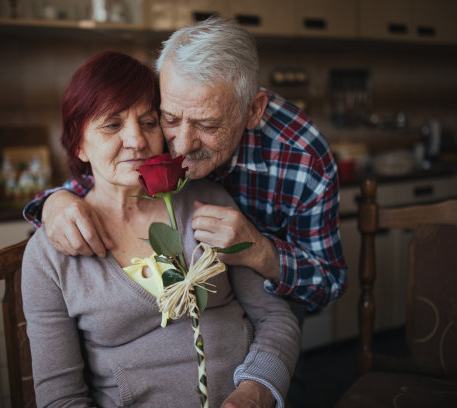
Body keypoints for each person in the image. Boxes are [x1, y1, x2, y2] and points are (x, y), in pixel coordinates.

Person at [22, 50, 300, 408]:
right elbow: (61, 400)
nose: (137, 140)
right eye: (112, 124)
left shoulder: (210, 204)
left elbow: (275, 317)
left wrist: (255, 391)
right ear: (79, 144)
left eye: (149, 122)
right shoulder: (49, 255)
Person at [23, 16, 348, 314]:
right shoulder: (153, 125)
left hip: (275, 305)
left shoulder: (304, 159)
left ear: (252, 111)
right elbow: (108, 174)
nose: (181, 144)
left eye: (207, 126)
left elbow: (329, 282)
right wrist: (54, 202)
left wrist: (260, 252)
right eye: (168, 119)